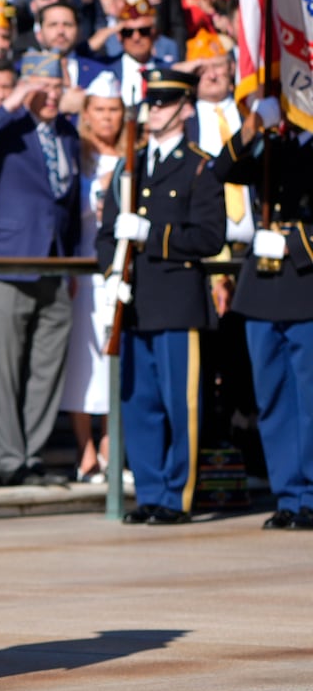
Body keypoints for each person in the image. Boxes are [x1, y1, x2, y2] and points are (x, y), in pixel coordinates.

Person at [97, 68, 224, 525]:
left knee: (179, 403)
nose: (154, 110)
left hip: (175, 300)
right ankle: (149, 491)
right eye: (151, 102)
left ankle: (176, 496)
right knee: (140, 405)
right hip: (134, 302)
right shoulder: (129, 164)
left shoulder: (199, 166)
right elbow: (106, 232)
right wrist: (111, 272)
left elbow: (210, 237)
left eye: (165, 103)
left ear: (185, 108)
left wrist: (154, 235)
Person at [0, 51, 81, 485]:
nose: (50, 95)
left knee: (47, 366)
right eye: (41, 86)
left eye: (56, 87)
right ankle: (7, 458)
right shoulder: (6, 124)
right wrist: (10, 104)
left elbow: (66, 201)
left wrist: (68, 262)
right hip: (6, 261)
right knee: (4, 367)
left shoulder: (67, 133)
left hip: (53, 262)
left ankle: (32, 453)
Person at [211, 102, 313, 528]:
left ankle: (310, 493)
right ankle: (289, 494)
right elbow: (223, 171)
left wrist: (298, 243)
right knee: (272, 398)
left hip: (306, 282)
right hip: (264, 287)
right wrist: (251, 127)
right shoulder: (272, 145)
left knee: (309, 398)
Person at [61, 75, 124, 480]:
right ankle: (85, 448)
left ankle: (110, 446)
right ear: (87, 114)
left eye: (113, 110)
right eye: (99, 109)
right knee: (82, 362)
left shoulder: (130, 155)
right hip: (82, 269)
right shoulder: (77, 154)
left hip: (117, 268)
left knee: (113, 356)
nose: (107, 117)